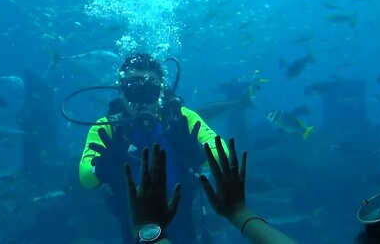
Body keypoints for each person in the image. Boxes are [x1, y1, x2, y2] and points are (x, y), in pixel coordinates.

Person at [79, 53, 225, 243]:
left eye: (150, 90)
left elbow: (224, 155)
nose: (142, 101)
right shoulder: (107, 127)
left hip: (181, 218)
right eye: (133, 90)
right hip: (132, 223)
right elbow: (86, 178)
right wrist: (103, 166)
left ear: (162, 91)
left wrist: (197, 151)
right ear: (121, 90)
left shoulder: (181, 118)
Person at [125, 136, 298, 244]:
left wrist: (146, 228)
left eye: (152, 88)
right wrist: (239, 212)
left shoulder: (183, 115)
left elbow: (217, 150)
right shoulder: (106, 123)